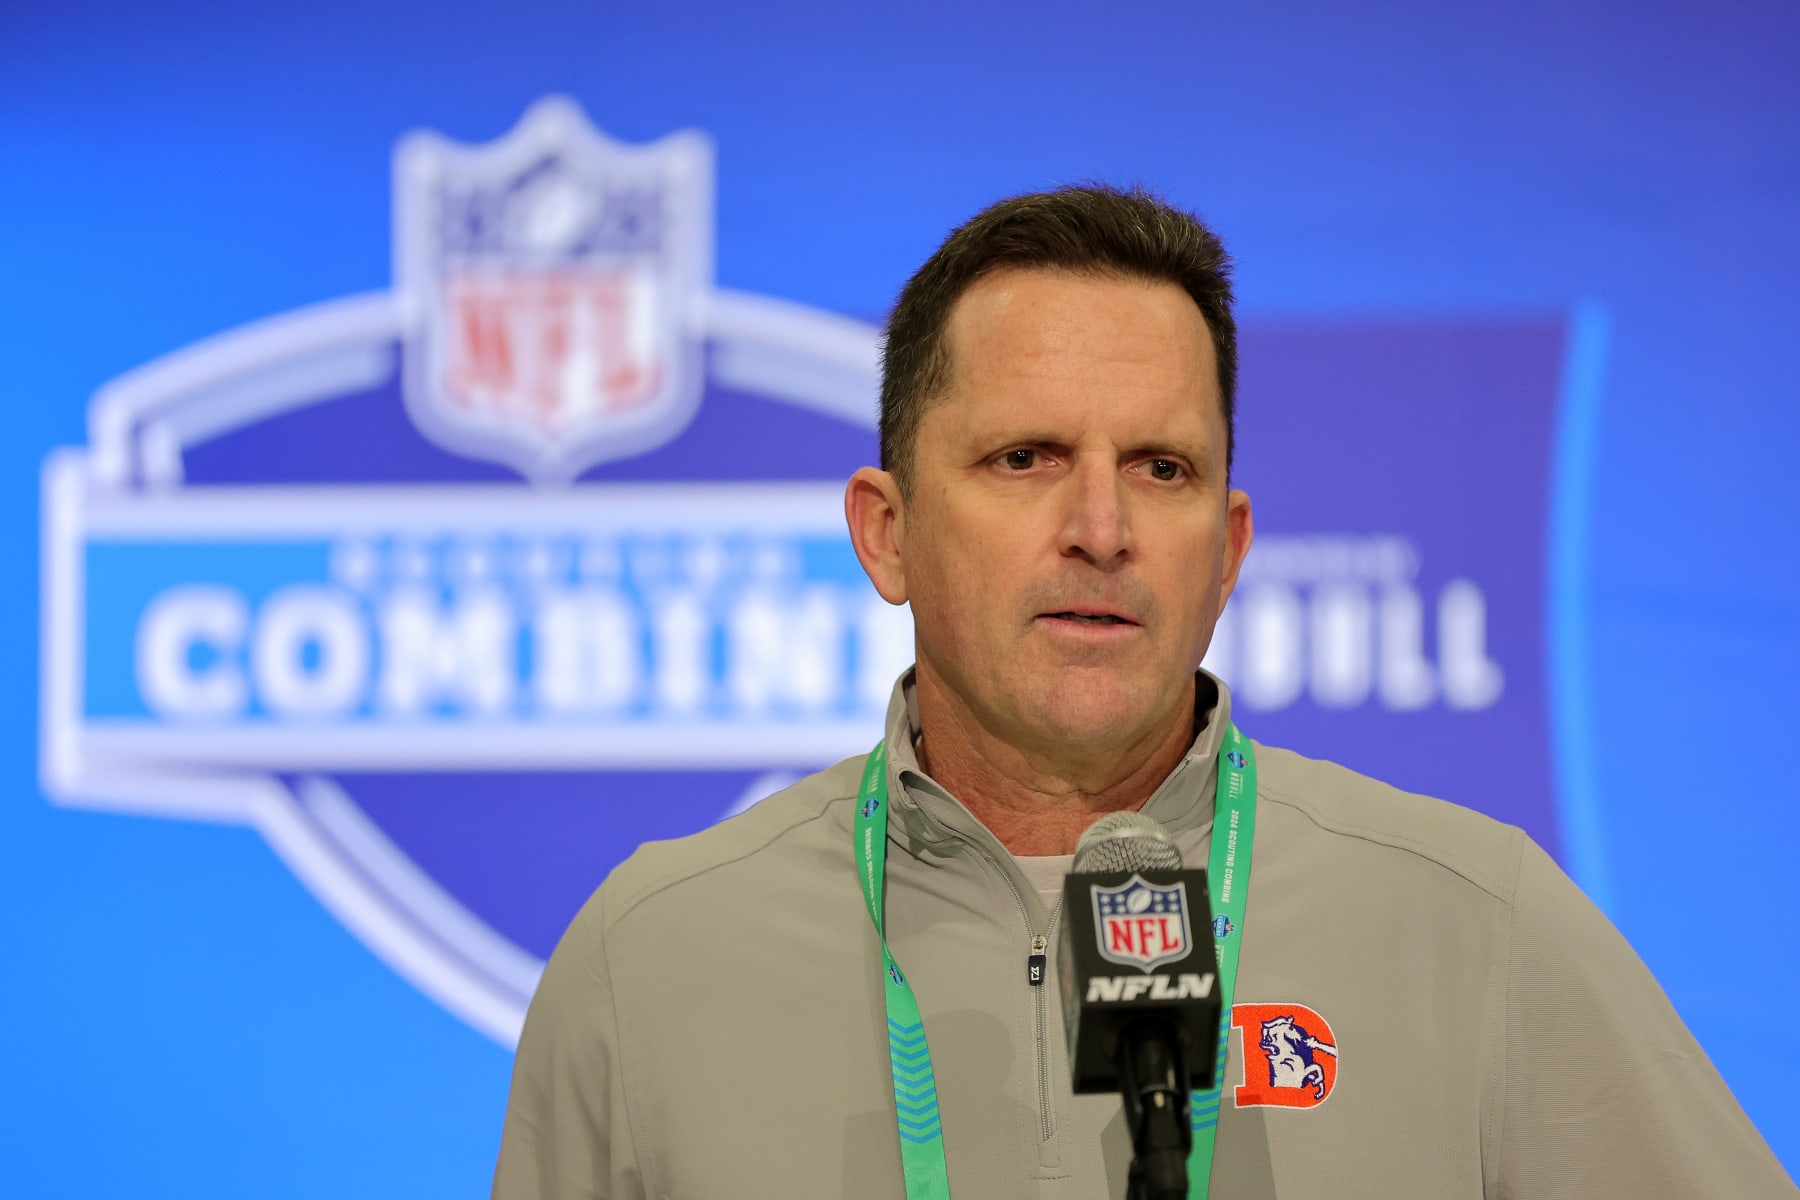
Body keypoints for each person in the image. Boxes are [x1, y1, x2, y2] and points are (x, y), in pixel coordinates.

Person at [492, 186, 1793, 1198]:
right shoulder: (649, 960)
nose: (1102, 527)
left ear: (1226, 552)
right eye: (1026, 457)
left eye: (1162, 469)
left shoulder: (1475, 926)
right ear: (886, 533)